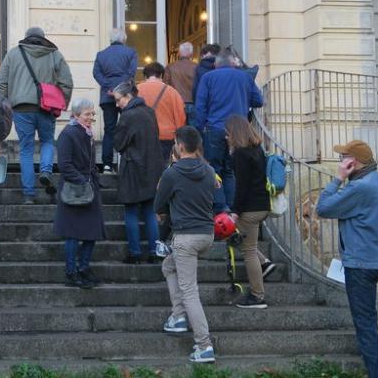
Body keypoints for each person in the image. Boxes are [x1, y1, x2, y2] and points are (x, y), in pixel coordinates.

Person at [316, 140, 378, 378]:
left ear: (354, 162)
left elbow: (323, 208)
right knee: (368, 320)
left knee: (365, 326)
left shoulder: (360, 188)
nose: (340, 161)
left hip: (361, 264)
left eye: (343, 157)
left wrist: (338, 178)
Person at [153, 125, 217, 364]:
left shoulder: (172, 172)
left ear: (179, 146)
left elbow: (159, 205)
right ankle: (178, 316)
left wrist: (162, 214)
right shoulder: (209, 171)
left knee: (190, 290)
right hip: (206, 235)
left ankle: (204, 345)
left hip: (186, 238)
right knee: (169, 266)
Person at [0, 26, 73, 204]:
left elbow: (1, 83)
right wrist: (62, 103)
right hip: (47, 107)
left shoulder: (14, 54)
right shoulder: (54, 54)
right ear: (43, 38)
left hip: (21, 108)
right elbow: (67, 82)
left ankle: (29, 195)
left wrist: (4, 105)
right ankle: (45, 171)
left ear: (26, 37)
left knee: (26, 150)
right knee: (47, 141)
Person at [195, 50, 264, 213]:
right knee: (231, 170)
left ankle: (220, 207)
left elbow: (200, 106)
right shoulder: (245, 77)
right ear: (233, 63)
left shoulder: (208, 78)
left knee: (214, 168)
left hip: (215, 129)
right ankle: (233, 206)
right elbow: (258, 101)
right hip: (239, 130)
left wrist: (200, 128)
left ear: (215, 64)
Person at [53, 98, 106, 289]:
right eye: (87, 114)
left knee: (92, 233)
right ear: (75, 115)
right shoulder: (68, 134)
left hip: (89, 189)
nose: (91, 117)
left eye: (92, 113)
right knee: (73, 234)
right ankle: (71, 272)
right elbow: (64, 165)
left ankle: (83, 269)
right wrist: (82, 182)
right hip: (75, 191)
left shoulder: (87, 132)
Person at [111, 81, 164, 264]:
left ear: (128, 96)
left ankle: (134, 253)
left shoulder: (127, 116)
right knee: (150, 212)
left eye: (118, 100)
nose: (117, 105)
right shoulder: (149, 112)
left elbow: (118, 143)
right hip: (152, 168)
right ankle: (154, 251)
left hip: (132, 168)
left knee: (131, 212)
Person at [225, 114, 274, 309]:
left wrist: (235, 211)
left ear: (235, 133)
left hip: (249, 209)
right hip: (262, 205)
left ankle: (257, 296)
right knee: (239, 241)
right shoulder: (257, 149)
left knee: (248, 251)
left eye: (228, 134)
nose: (226, 137)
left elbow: (242, 187)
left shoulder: (240, 154)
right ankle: (264, 263)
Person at [92, 28, 138, 173]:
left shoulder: (101, 54)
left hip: (107, 96)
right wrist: (120, 90)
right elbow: (131, 73)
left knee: (109, 130)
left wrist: (109, 87)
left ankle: (107, 164)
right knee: (128, 128)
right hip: (125, 96)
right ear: (124, 39)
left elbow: (96, 73)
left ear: (110, 39)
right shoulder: (131, 52)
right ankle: (126, 162)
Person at [138, 62, 187, 163]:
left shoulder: (136, 90)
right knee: (165, 167)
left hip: (142, 135)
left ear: (145, 75)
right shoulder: (172, 92)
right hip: (166, 136)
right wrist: (178, 138)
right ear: (161, 75)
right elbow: (180, 117)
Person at [163, 42, 196, 125]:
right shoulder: (196, 67)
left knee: (179, 130)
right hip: (193, 103)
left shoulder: (170, 67)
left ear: (179, 53)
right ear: (191, 54)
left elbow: (165, 86)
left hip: (176, 103)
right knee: (193, 132)